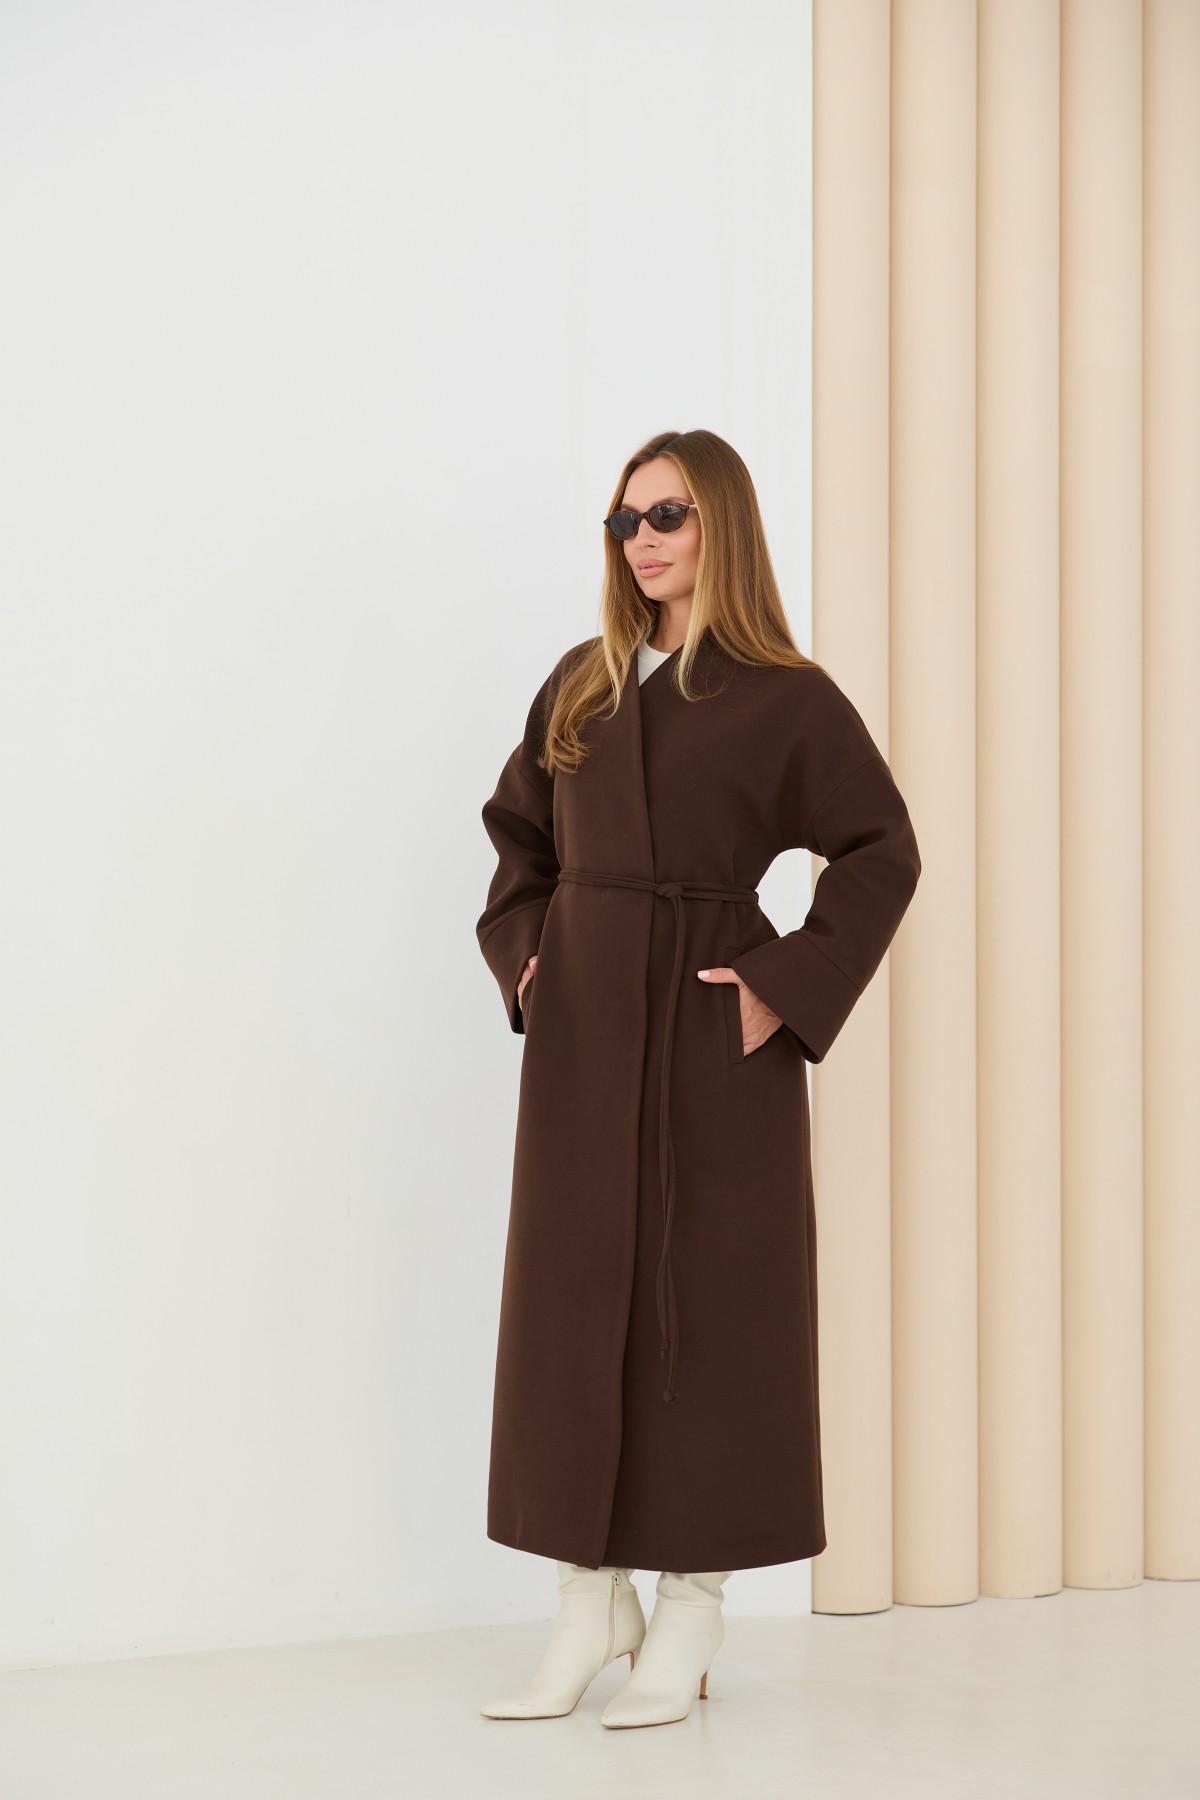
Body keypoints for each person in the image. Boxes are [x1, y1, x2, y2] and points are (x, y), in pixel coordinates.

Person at [475, 429, 921, 1727]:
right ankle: (586, 1605)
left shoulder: (787, 697)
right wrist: (533, 960)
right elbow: (518, 843)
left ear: (722, 519)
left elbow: (881, 850)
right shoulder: (582, 684)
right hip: (584, 1041)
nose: (643, 541)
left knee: (710, 1311)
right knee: (569, 1307)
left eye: (666, 514)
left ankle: (690, 1613)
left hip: (714, 1039)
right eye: (624, 522)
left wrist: (782, 985)